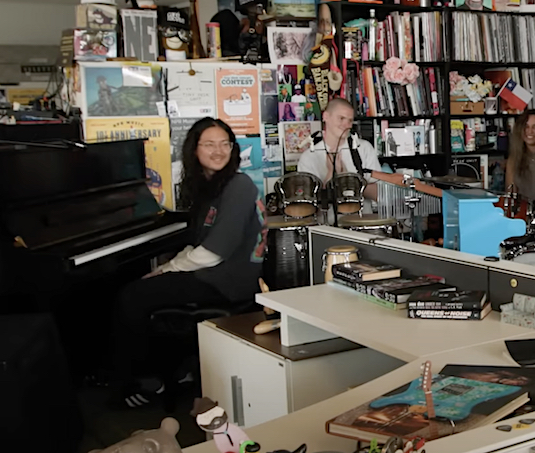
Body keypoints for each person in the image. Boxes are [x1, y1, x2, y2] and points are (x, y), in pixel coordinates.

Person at [111, 118, 266, 408]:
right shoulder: (210, 186)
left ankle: (145, 381)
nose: (218, 151)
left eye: (225, 144)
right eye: (209, 144)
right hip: (212, 273)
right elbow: (197, 245)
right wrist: (165, 269)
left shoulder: (239, 184)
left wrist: (165, 270)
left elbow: (212, 253)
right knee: (139, 288)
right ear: (195, 149)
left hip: (228, 281)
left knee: (132, 296)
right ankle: (175, 368)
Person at [297, 97, 442, 207]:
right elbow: (308, 205)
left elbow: (378, 194)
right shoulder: (309, 156)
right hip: (326, 227)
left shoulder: (364, 148)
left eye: (350, 121)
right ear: (326, 117)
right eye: (341, 118)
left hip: (361, 222)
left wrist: (349, 181)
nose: (346, 125)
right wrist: (331, 175)